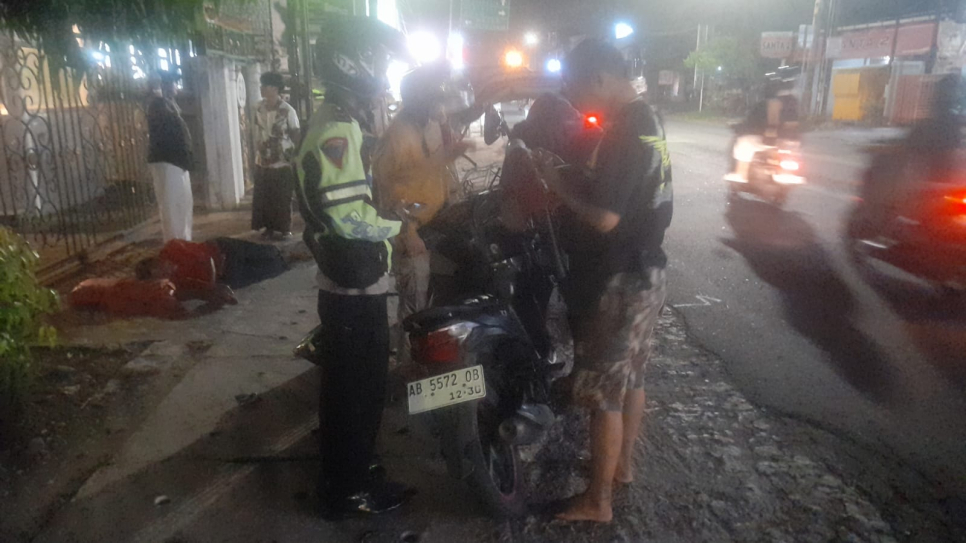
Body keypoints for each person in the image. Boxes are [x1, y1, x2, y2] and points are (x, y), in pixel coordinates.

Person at [534, 38, 673, 523]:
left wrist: (556, 185)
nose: (573, 100)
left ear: (598, 78)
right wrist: (573, 173)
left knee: (602, 394)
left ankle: (598, 501)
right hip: (649, 269)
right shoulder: (649, 119)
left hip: (618, 281)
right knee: (632, 377)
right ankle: (622, 468)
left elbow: (606, 217)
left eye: (574, 88)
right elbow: (629, 191)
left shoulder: (625, 132)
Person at [295, 15, 413, 518]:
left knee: (352, 386)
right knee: (356, 390)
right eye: (378, 57)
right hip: (352, 282)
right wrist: (395, 224)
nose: (382, 68)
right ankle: (347, 491)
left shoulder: (337, 117)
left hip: (348, 277)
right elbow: (346, 215)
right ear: (354, 62)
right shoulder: (337, 126)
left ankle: (354, 471)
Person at [372, 61, 471, 366]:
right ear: (418, 100)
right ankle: (408, 368)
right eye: (433, 98)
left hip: (436, 224)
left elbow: (437, 168)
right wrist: (408, 232)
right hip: (412, 231)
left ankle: (432, 361)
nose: (438, 105)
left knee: (435, 300)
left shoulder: (430, 126)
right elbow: (387, 191)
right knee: (414, 305)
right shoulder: (397, 136)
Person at [725, 71, 800, 183]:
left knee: (744, 145)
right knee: (791, 151)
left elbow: (751, 123)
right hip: (786, 142)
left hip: (764, 141)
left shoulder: (762, 105)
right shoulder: (792, 103)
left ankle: (741, 173)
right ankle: (786, 173)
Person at [252, 72, 301, 240]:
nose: (262, 88)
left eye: (264, 85)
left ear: (274, 88)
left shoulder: (288, 111)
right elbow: (255, 131)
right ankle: (269, 227)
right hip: (263, 160)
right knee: (265, 196)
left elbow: (295, 134)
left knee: (282, 196)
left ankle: (285, 228)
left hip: (282, 161)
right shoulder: (258, 108)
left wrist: (295, 156)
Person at [147, 70, 194, 242]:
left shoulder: (169, 105)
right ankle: (175, 243)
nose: (176, 87)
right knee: (172, 205)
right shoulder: (158, 105)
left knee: (182, 203)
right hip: (168, 161)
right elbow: (169, 134)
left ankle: (183, 241)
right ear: (165, 86)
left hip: (177, 162)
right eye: (174, 83)